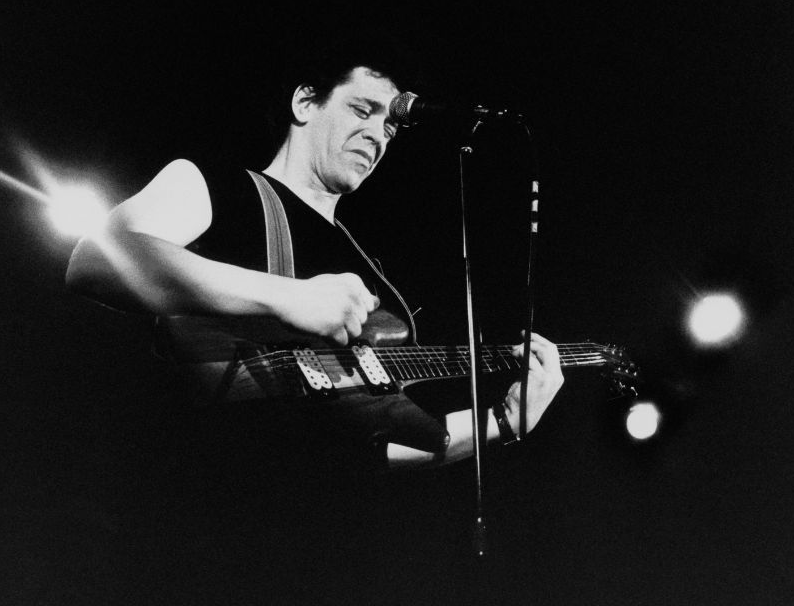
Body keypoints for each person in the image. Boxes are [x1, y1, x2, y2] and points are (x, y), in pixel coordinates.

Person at [65, 46, 565, 473]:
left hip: (319, 541)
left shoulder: (370, 277)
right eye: (362, 109)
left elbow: (381, 441)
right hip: (204, 508)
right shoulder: (218, 186)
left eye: (390, 125)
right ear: (305, 103)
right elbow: (97, 260)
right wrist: (288, 296)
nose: (378, 135)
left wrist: (501, 423)